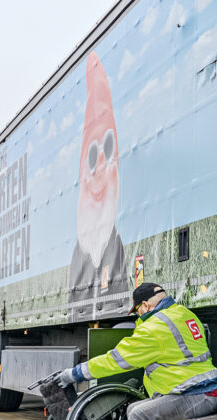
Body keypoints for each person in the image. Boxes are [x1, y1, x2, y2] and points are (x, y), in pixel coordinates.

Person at [58, 282, 217, 420]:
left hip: (197, 394)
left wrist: (76, 373)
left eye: (137, 310)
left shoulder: (154, 327)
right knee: (136, 408)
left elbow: (116, 360)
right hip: (201, 389)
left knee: (138, 414)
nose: (138, 314)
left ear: (145, 305)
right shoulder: (182, 313)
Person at [68, 52, 128, 322]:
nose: (101, 165)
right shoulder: (76, 258)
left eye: (108, 148)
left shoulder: (118, 248)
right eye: (93, 156)